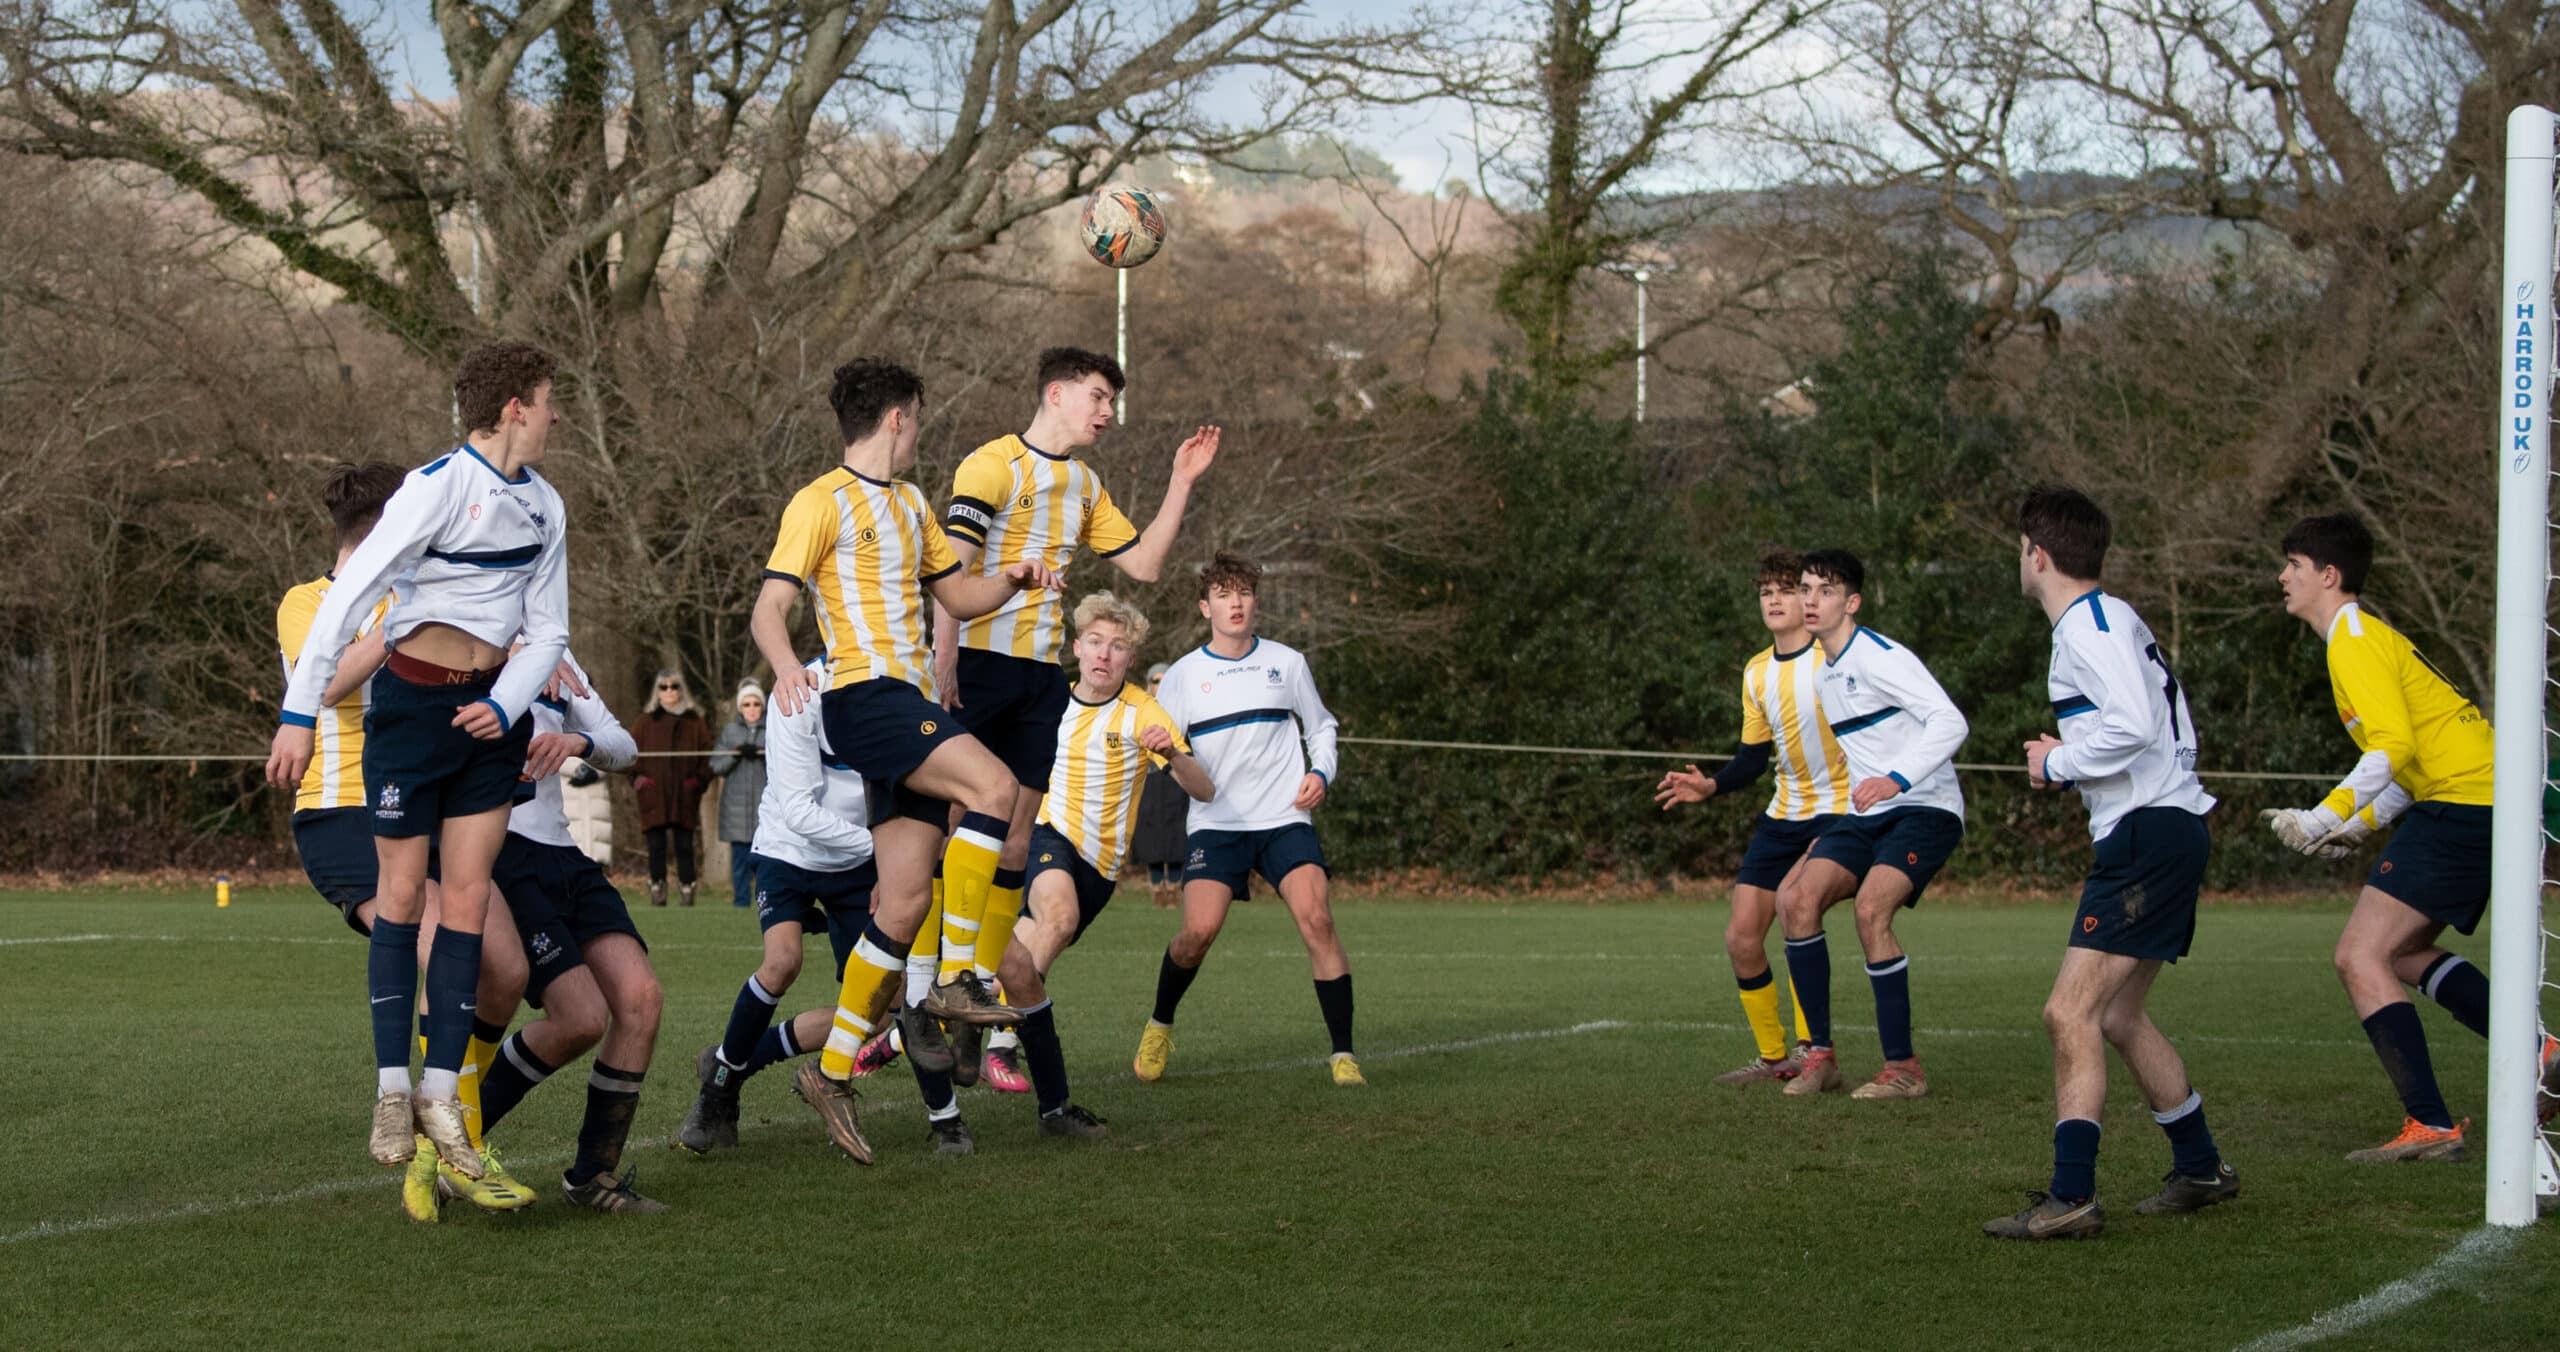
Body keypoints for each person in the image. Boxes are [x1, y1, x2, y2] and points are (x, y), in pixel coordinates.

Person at [267, 339, 570, 1182]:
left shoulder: (547, 505)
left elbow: (548, 628)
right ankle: (393, 1089)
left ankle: (443, 1091)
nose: (554, 414)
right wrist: (298, 716)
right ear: (515, 406)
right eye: (547, 400)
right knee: (405, 897)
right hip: (409, 709)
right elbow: (348, 601)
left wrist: (506, 704)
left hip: (486, 721)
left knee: (468, 902)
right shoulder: (433, 490)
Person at [749, 357, 1061, 1162]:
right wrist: (788, 667)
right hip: (866, 698)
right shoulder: (820, 502)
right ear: (896, 417)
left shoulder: (915, 504)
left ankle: (832, 1068)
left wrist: (1015, 579)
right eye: (917, 416)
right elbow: (770, 607)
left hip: (907, 705)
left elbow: (956, 598)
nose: (919, 429)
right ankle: (960, 977)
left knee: (900, 904)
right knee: (994, 783)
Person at [921, 346, 1219, 1078]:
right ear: (1055, 394)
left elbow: (1144, 564)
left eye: (1110, 402)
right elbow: (950, 573)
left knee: (1016, 843)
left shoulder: (1085, 484)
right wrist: (945, 654)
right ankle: (926, 985)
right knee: (955, 826)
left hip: (1036, 676)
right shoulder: (991, 465)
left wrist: (1181, 482)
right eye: (1097, 397)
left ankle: (974, 1003)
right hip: (980, 666)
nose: (1106, 413)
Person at [2260, 513, 2560, 1160]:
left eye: (2293, 564)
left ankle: (2429, 1125)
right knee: (2400, 956)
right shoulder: (2362, 637)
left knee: (2357, 957)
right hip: (2480, 800)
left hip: (2465, 802)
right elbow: (2404, 762)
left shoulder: (2353, 639)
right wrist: (2352, 828)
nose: (2282, 576)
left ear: (2328, 575)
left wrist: (2321, 815)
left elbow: (2392, 748)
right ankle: (2540, 1051)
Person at [1984, 485, 2233, 1241]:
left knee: (2070, 1013)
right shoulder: (2112, 617)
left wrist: (2059, 761)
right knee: (2119, 1015)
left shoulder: (2086, 626)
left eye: (2019, 547)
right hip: (2168, 826)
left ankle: (2072, 1199)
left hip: (2147, 835)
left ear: (2038, 554)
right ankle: (2199, 1168)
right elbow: (2156, 728)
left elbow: (2132, 722)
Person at [1136, 552, 1357, 1086]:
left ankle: (1344, 1054)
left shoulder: (1288, 662)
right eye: (1223, 593)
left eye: (1244, 593)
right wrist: (1167, 753)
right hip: (1216, 824)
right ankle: (1160, 1022)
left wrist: (1320, 773)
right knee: (1197, 932)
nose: (1235, 603)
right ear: (1205, 605)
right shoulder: (1184, 676)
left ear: (1255, 602)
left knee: (1318, 921)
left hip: (1285, 818)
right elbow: (1167, 755)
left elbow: (1322, 727)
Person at [469, 648, 669, 1213]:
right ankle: (448, 1140)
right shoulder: (457, 646)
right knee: (580, 1018)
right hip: (501, 853)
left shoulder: (555, 654)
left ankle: (592, 1178)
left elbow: (624, 746)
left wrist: (578, 742)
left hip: (564, 856)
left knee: (642, 1000)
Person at [1008, 592, 1213, 1135]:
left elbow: (1205, 788)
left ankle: (899, 1036)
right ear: (1077, 648)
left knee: (1010, 962)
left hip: (1099, 870)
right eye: (1095, 642)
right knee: (1058, 918)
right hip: (1046, 836)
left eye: (1117, 647)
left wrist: (1170, 754)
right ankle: (1003, 1046)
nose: (1104, 655)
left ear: (1130, 660)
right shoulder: (1047, 696)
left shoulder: (1144, 712)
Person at [1776, 548, 1969, 1101]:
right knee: (1794, 899)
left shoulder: (1881, 657)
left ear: (1852, 602)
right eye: (1805, 589)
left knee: (1869, 909)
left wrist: (1897, 779)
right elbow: (1860, 761)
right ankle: (1821, 1059)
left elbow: (1950, 721)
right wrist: (1836, 821)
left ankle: (1903, 1069)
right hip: (1869, 814)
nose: (1810, 601)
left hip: (1925, 807)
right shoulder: (1825, 674)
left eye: (1825, 591)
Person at [677, 657, 883, 1157]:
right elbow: (799, 811)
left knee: (877, 1009)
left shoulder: (902, 674)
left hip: (859, 862)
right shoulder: (799, 689)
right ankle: (717, 1092)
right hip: (790, 846)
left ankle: (733, 1062)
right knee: (782, 960)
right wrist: (887, 847)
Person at [1654, 547, 1837, 1084]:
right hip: (1783, 815)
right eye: (1766, 592)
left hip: (1838, 813)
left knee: (1796, 911)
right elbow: (1753, 759)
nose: (1775, 600)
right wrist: (1710, 784)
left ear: (1805, 599)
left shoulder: (1834, 658)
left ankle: (1813, 1053)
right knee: (1740, 938)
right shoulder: (1757, 672)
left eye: (1786, 590)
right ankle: (1775, 1058)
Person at [634, 668, 712, 906]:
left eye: (674, 686)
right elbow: (629, 755)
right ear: (657, 692)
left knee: (684, 845)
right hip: (654, 793)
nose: (669, 692)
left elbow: (708, 758)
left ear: (681, 690)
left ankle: (687, 889)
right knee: (655, 845)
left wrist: (697, 782)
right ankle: (657, 888)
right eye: (664, 687)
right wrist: (639, 780)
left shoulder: (694, 721)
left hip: (684, 794)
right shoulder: (644, 722)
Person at [1132, 661, 1191, 909]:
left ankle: (1174, 890)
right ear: (1149, 683)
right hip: (1150, 778)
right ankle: (1157, 890)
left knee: (1176, 832)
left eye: (1165, 680)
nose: (1160, 685)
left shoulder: (1183, 708)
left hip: (1176, 777)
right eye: (1156, 680)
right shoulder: (1140, 708)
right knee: (1151, 834)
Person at [710, 679, 769, 908]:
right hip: (735, 809)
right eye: (747, 704)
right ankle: (741, 902)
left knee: (765, 862)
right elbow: (716, 765)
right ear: (740, 707)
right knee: (739, 862)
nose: (752, 709)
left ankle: (765, 903)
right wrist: (735, 755)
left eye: (756, 704)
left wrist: (763, 754)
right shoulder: (729, 732)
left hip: (764, 808)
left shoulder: (773, 728)